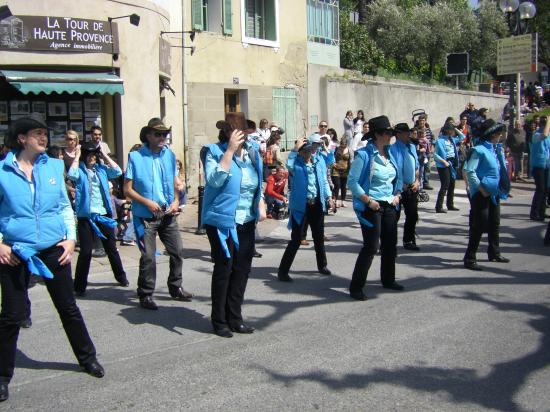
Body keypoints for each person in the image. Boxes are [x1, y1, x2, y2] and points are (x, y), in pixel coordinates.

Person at [0, 115, 104, 403]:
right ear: (21, 138)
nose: (44, 138)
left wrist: (70, 239)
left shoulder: (54, 167)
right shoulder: (2, 172)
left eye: (45, 134)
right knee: (11, 316)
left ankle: (87, 358)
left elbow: (63, 206)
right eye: (37, 134)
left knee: (68, 308)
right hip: (15, 251)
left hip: (53, 248)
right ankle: (2, 375)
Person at [201, 112, 266, 337]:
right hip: (222, 221)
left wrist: (261, 202)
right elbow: (215, 180)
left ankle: (235, 317)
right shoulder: (212, 151)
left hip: (246, 220)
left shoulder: (252, 154)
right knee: (224, 270)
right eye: (238, 133)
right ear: (227, 133)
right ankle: (219, 321)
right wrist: (229, 151)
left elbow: (257, 182)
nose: (243, 137)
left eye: (245, 133)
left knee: (241, 271)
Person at [124, 118, 193, 310]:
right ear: (148, 135)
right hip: (145, 216)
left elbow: (174, 182)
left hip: (167, 214)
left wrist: (177, 200)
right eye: (158, 134)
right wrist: (147, 202)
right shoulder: (135, 157)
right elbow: (127, 190)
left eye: (165, 134)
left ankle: (175, 287)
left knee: (177, 251)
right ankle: (145, 294)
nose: (162, 137)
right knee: (148, 256)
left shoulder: (168, 155)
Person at [348, 115, 403, 301]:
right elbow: (352, 182)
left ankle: (388, 280)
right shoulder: (364, 155)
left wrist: (397, 194)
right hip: (371, 206)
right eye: (388, 132)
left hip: (389, 205)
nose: (391, 136)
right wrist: (368, 200)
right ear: (378, 134)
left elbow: (398, 177)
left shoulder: (391, 153)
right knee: (371, 247)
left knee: (390, 246)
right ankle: (356, 287)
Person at [67, 143, 129, 296]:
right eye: (89, 154)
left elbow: (117, 171)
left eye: (94, 154)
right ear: (84, 156)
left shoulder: (101, 170)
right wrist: (76, 156)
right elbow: (71, 175)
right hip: (86, 217)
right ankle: (79, 286)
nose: (92, 157)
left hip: (103, 215)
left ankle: (121, 277)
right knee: (86, 252)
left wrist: (105, 155)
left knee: (111, 248)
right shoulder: (80, 171)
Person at [277, 133, 334, 282]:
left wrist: (328, 196)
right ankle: (283, 271)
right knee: (296, 239)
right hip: (301, 207)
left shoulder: (317, 162)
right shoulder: (296, 165)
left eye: (310, 150)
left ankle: (322, 265)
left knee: (318, 237)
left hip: (317, 204)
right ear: (301, 152)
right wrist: (294, 150)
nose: (309, 153)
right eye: (306, 151)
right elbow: (288, 164)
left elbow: (324, 181)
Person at [463, 119, 511, 271]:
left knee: (494, 223)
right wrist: (480, 188)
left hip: (494, 192)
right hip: (481, 194)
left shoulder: (496, 150)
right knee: (479, 225)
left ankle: (494, 252)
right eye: (498, 133)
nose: (500, 135)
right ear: (492, 134)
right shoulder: (479, 150)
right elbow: (470, 170)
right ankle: (470, 257)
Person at [390, 123, 420, 250]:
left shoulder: (412, 147)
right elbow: (392, 169)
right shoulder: (392, 149)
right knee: (393, 218)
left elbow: (417, 167)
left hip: (411, 187)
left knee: (412, 215)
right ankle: (388, 243)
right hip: (397, 189)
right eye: (406, 132)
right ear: (398, 134)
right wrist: (400, 185)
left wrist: (417, 181)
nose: (409, 134)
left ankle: (408, 240)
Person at [434, 123, 465, 213]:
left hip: (452, 164)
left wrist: (456, 129)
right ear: (447, 131)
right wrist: (444, 162)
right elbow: (435, 155)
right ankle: (438, 207)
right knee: (445, 185)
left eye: (452, 130)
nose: (452, 131)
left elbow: (462, 136)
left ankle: (450, 204)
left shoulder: (451, 139)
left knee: (452, 184)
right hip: (443, 165)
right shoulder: (440, 141)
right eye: (451, 130)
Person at [529, 116, 550, 221]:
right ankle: (534, 212)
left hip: (546, 165)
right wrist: (549, 120)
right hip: (538, 165)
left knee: (545, 189)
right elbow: (544, 134)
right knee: (540, 189)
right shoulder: (536, 135)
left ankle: (542, 212)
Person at [331, 135, 351, 208]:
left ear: (346, 145)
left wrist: (350, 170)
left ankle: (343, 200)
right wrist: (332, 163)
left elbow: (350, 160)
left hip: (345, 170)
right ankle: (335, 200)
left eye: (344, 146)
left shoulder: (349, 150)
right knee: (337, 185)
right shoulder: (335, 148)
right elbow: (330, 155)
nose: (343, 148)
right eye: (341, 146)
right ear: (340, 144)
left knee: (343, 186)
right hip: (336, 169)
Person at [415, 114, 434, 190]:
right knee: (419, 168)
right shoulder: (416, 129)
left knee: (427, 168)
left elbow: (432, 139)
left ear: (425, 121)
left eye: (423, 120)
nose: (421, 122)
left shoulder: (428, 129)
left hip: (427, 152)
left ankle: (426, 183)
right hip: (419, 152)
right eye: (420, 120)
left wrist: (432, 148)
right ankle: (418, 183)